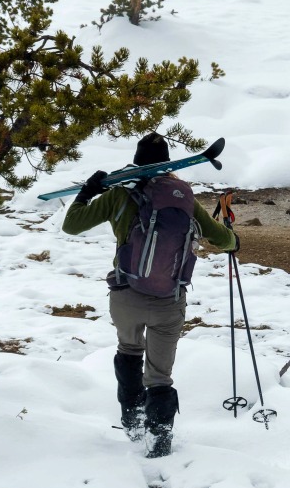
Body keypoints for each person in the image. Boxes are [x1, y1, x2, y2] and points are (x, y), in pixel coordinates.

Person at [62, 132, 239, 458]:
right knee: (160, 377)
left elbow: (71, 226)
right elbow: (222, 240)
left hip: (126, 296)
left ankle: (132, 423)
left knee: (129, 351)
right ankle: (159, 444)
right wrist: (232, 238)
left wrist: (87, 193)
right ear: (168, 162)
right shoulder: (182, 195)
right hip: (169, 300)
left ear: (136, 161)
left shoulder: (119, 196)